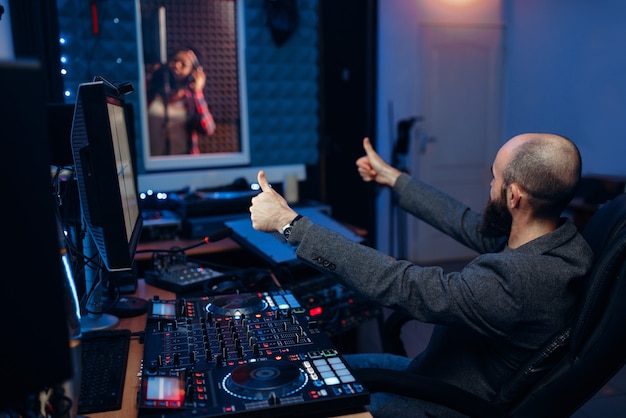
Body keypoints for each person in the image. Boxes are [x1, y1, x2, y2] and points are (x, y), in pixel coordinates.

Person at [249, 133, 594, 417]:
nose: (489, 183)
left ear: (514, 195)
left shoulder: (519, 282)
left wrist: (290, 225)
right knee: (313, 371)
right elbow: (465, 221)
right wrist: (393, 177)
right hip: (436, 371)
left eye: (495, 176)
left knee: (304, 400)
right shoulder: (554, 241)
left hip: (444, 401)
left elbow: (404, 285)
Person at [146, 47, 216, 155]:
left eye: (183, 64)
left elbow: (208, 129)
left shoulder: (191, 99)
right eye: (174, 60)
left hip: (183, 164)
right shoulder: (153, 93)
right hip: (154, 162)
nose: (176, 65)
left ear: (193, 72)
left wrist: (198, 93)